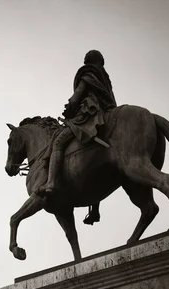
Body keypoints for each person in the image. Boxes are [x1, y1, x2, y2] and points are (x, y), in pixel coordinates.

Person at [37, 50, 117, 224]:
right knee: (97, 161)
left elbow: (78, 95)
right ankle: (94, 210)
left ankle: (50, 182)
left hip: (89, 115)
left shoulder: (88, 73)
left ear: (88, 61)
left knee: (58, 142)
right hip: (106, 114)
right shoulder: (104, 77)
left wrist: (70, 106)